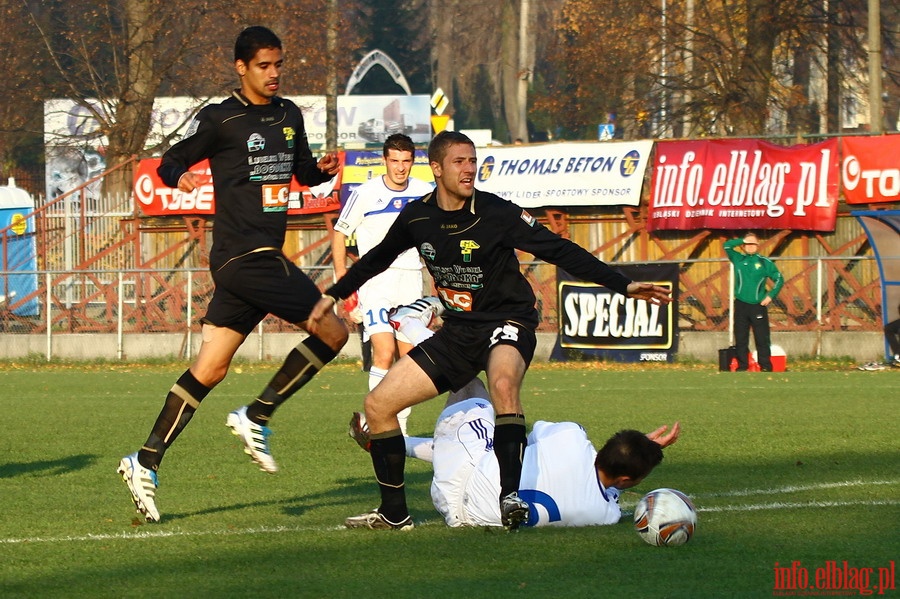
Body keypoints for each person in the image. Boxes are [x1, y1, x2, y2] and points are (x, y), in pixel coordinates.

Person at [308, 130, 673, 531]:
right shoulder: (418, 217)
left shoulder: (497, 212)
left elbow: (559, 249)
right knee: (378, 406)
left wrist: (623, 284)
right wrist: (335, 294)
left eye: (472, 160)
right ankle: (395, 514)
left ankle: (509, 497)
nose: (469, 169)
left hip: (508, 322)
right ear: (436, 168)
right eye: (459, 162)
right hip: (459, 332)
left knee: (502, 385)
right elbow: (375, 259)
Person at [117, 26, 348, 523]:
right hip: (247, 256)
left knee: (210, 370)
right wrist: (178, 175)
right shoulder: (222, 118)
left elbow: (302, 172)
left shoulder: (288, 115)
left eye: (278, 65)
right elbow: (172, 159)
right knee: (333, 329)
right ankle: (257, 414)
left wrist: (321, 170)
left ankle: (145, 460)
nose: (273, 74)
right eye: (264, 65)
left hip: (256, 259)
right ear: (241, 67)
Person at [347, 303, 680, 528]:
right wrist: (642, 456)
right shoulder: (604, 514)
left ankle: (408, 322)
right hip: (463, 515)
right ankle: (395, 444)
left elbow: (522, 438)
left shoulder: (572, 438)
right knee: (483, 443)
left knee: (471, 388)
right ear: (625, 481)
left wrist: (637, 447)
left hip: (464, 478)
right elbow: (611, 487)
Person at [331, 134, 435, 435]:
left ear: (413, 162)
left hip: (411, 280)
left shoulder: (424, 192)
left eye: (406, 161)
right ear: (385, 161)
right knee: (384, 352)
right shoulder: (366, 193)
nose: (400, 168)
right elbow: (341, 233)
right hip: (376, 281)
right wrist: (343, 279)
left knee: (409, 356)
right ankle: (377, 423)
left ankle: (398, 429)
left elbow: (433, 237)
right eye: (395, 161)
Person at [724, 232, 784, 372]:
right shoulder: (738, 258)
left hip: (758, 305)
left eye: (753, 244)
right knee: (740, 337)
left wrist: (770, 295)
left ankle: (765, 366)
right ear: (743, 246)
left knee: (762, 338)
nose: (750, 247)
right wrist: (741, 239)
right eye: (747, 244)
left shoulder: (764, 262)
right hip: (741, 304)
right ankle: (742, 366)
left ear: (758, 245)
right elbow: (726, 246)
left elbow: (779, 279)